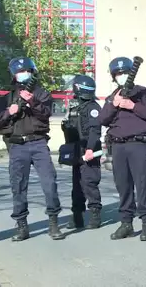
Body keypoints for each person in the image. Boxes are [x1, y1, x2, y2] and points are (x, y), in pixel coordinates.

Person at [0, 57, 64, 241]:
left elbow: (46, 114)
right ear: (13, 75)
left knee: (49, 183)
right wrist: (9, 112)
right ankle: (21, 226)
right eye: (19, 71)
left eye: (26, 70)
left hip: (38, 143)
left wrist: (33, 102)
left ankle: (53, 223)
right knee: (18, 186)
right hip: (17, 145)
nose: (23, 74)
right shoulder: (7, 98)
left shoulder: (41, 93)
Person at [98, 56, 146, 241]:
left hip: (138, 144)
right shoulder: (113, 96)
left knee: (143, 185)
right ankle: (126, 223)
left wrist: (133, 106)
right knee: (123, 186)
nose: (122, 76)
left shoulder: (143, 93)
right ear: (113, 76)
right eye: (118, 74)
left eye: (124, 72)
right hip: (118, 146)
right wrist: (114, 105)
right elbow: (102, 119)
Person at [60, 75, 103, 230]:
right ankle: (77, 216)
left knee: (89, 183)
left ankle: (95, 215)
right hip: (76, 150)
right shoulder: (76, 107)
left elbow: (95, 131)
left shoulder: (93, 107)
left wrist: (91, 148)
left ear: (78, 88)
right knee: (77, 185)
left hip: (89, 150)